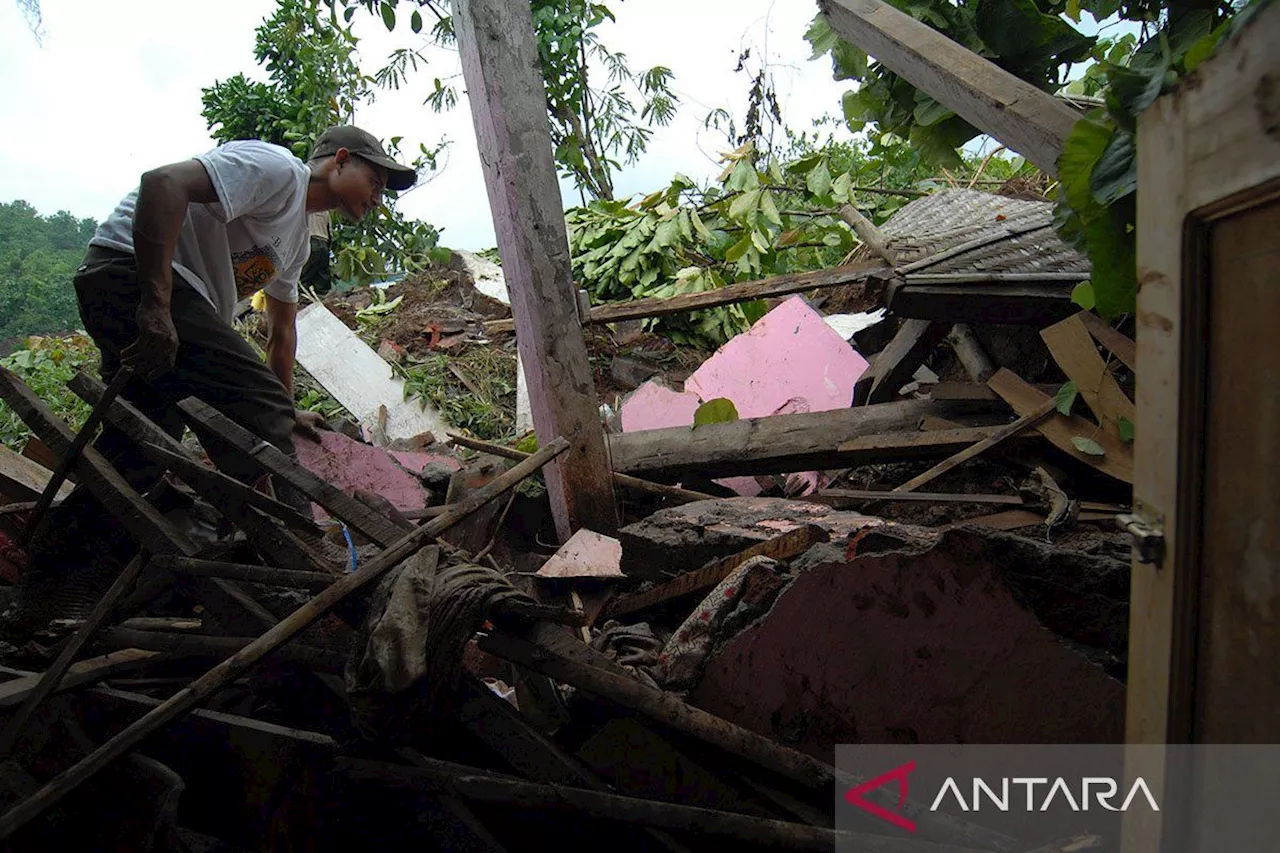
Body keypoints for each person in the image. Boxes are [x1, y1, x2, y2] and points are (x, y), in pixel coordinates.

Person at [8, 126, 416, 633]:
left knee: (138, 452)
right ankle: (302, 557)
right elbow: (162, 184)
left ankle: (49, 591)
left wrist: (284, 409)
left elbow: (282, 332)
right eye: (376, 180)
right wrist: (155, 305)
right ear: (339, 160)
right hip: (127, 273)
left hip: (168, 301)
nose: (378, 197)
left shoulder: (294, 244)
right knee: (252, 407)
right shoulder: (277, 170)